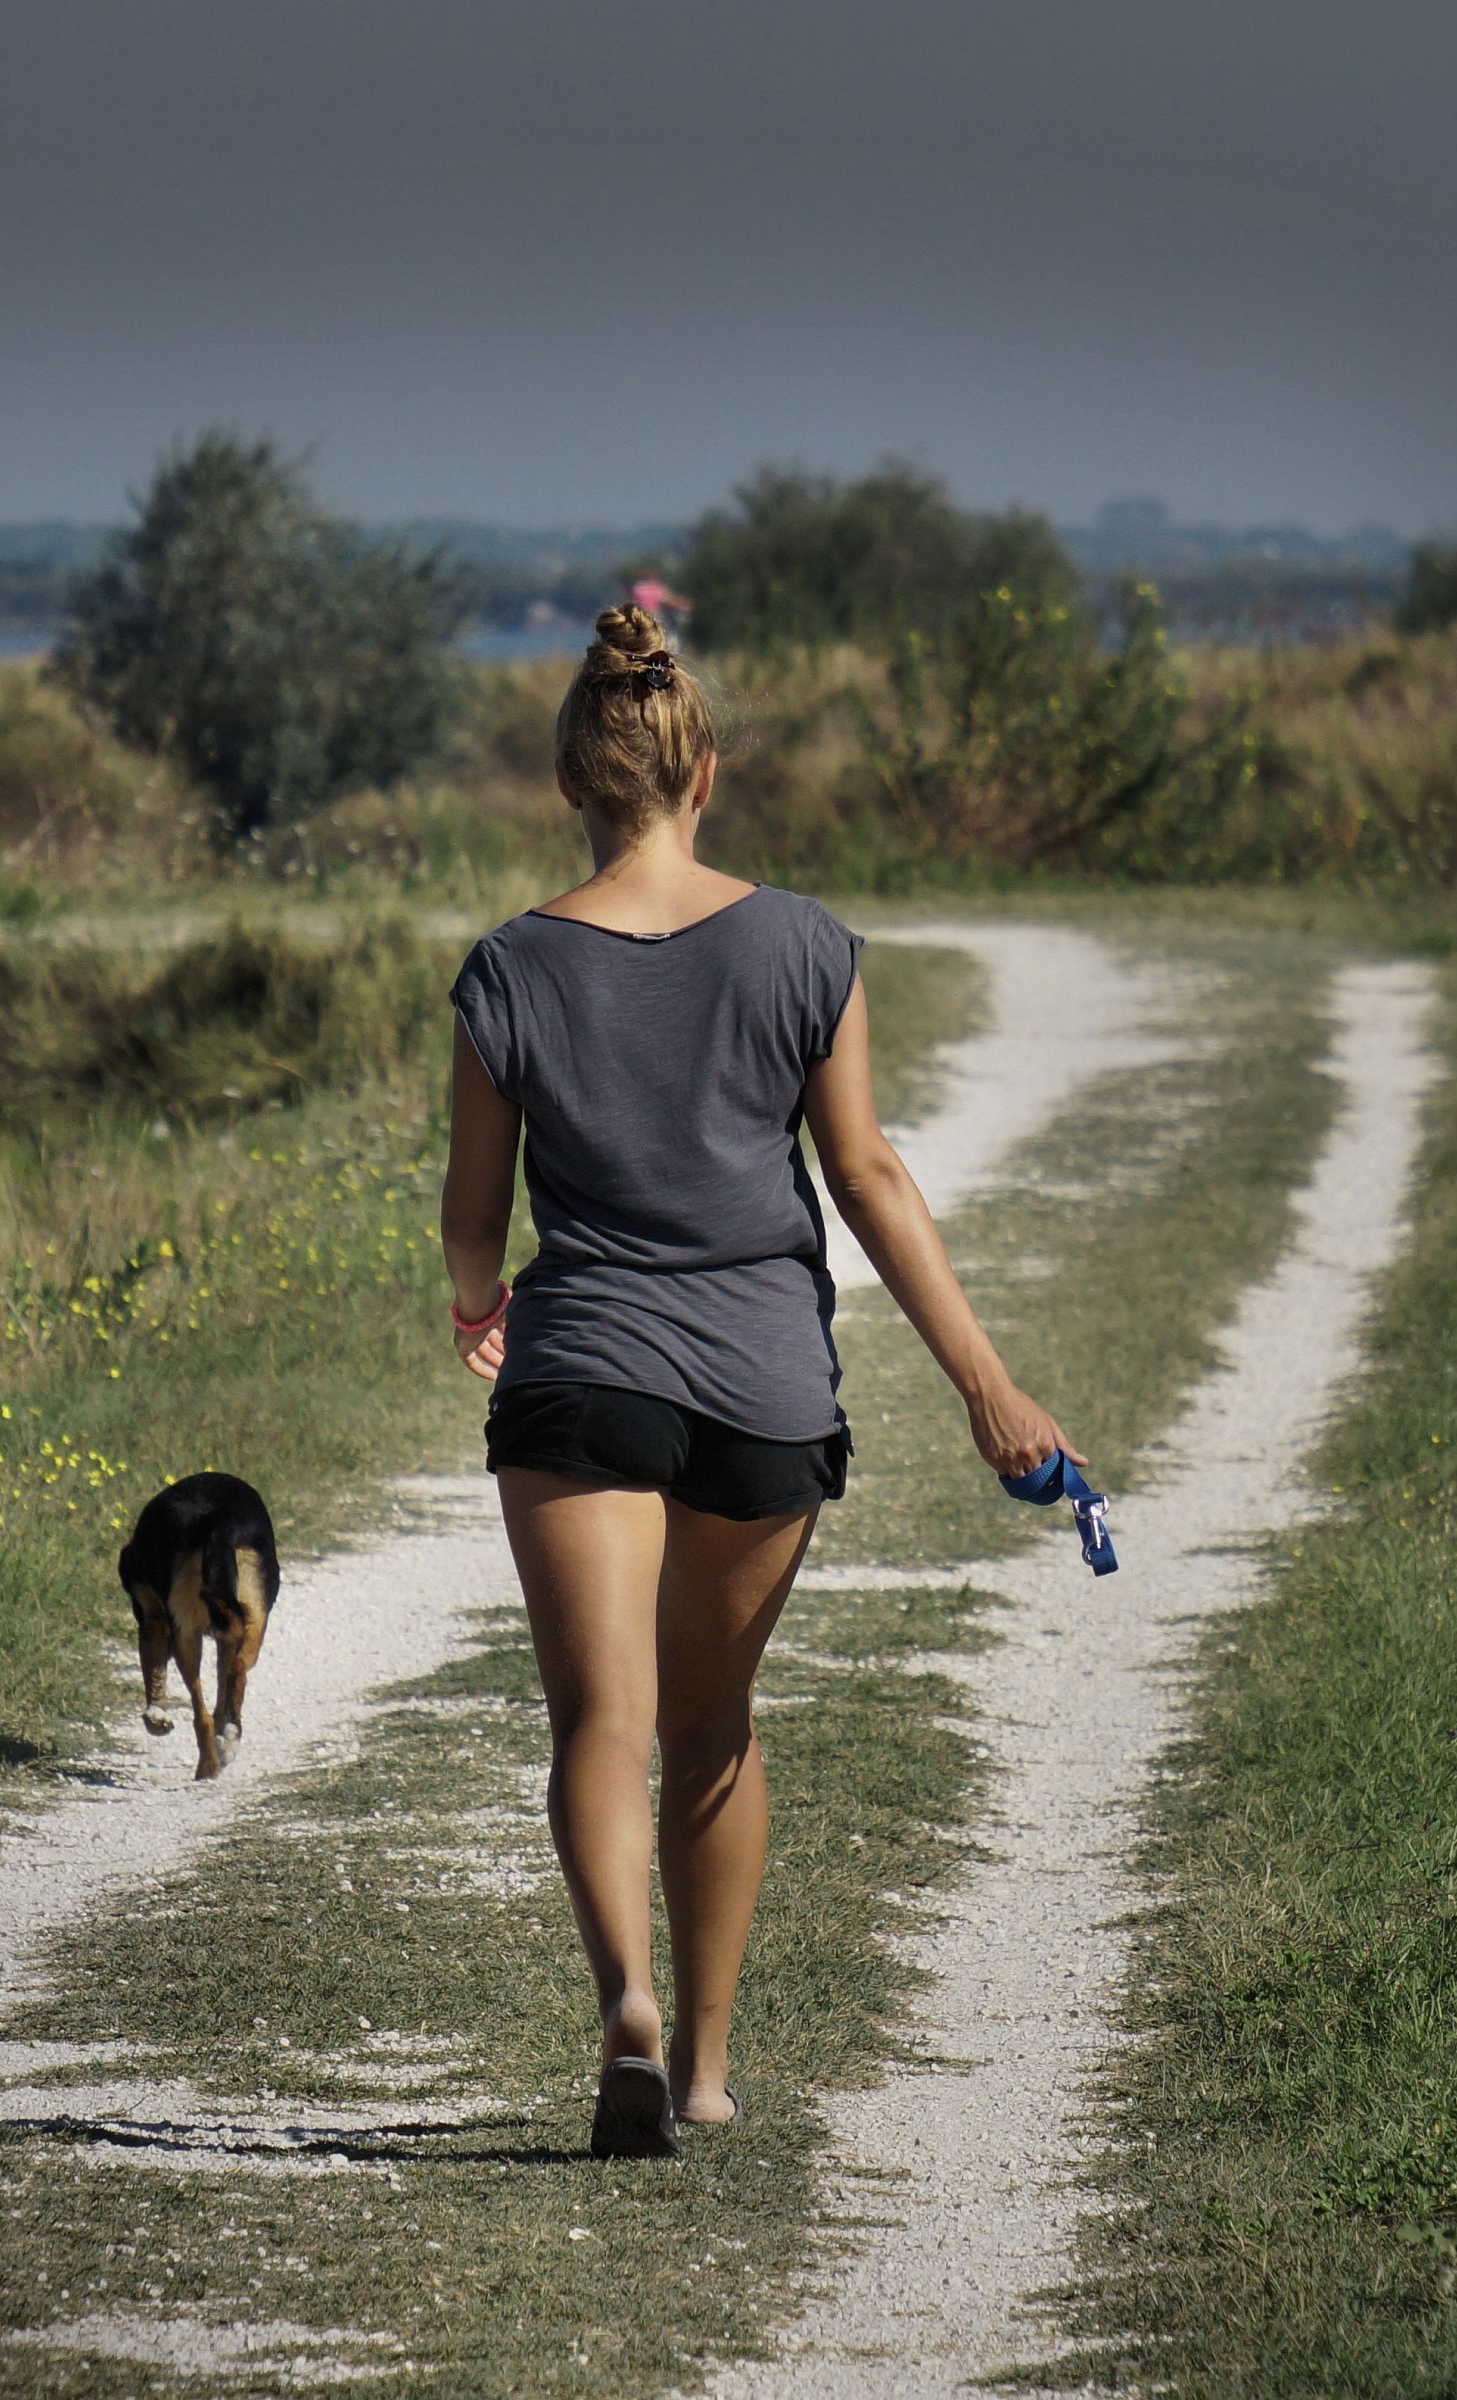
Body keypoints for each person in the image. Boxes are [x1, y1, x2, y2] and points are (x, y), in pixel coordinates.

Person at [441, 604, 1076, 2160]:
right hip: (763, 1391)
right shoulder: (806, 944)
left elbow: (474, 1217)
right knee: (712, 1729)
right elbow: (866, 1178)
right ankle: (711, 2068)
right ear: (702, 767)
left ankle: (627, 2018)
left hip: (585, 1369)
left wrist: (476, 1298)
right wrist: (989, 1389)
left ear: (571, 783)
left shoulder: (509, 968)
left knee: (603, 1718)